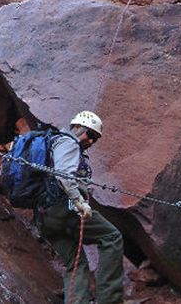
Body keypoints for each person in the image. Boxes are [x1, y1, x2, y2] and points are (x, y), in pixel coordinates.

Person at [36, 110, 124, 304]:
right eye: (90, 134)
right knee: (112, 237)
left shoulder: (52, 142)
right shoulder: (68, 143)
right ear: (77, 127)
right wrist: (79, 201)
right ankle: (110, 300)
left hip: (44, 217)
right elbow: (63, 175)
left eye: (95, 139)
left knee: (76, 264)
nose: (91, 141)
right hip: (64, 211)